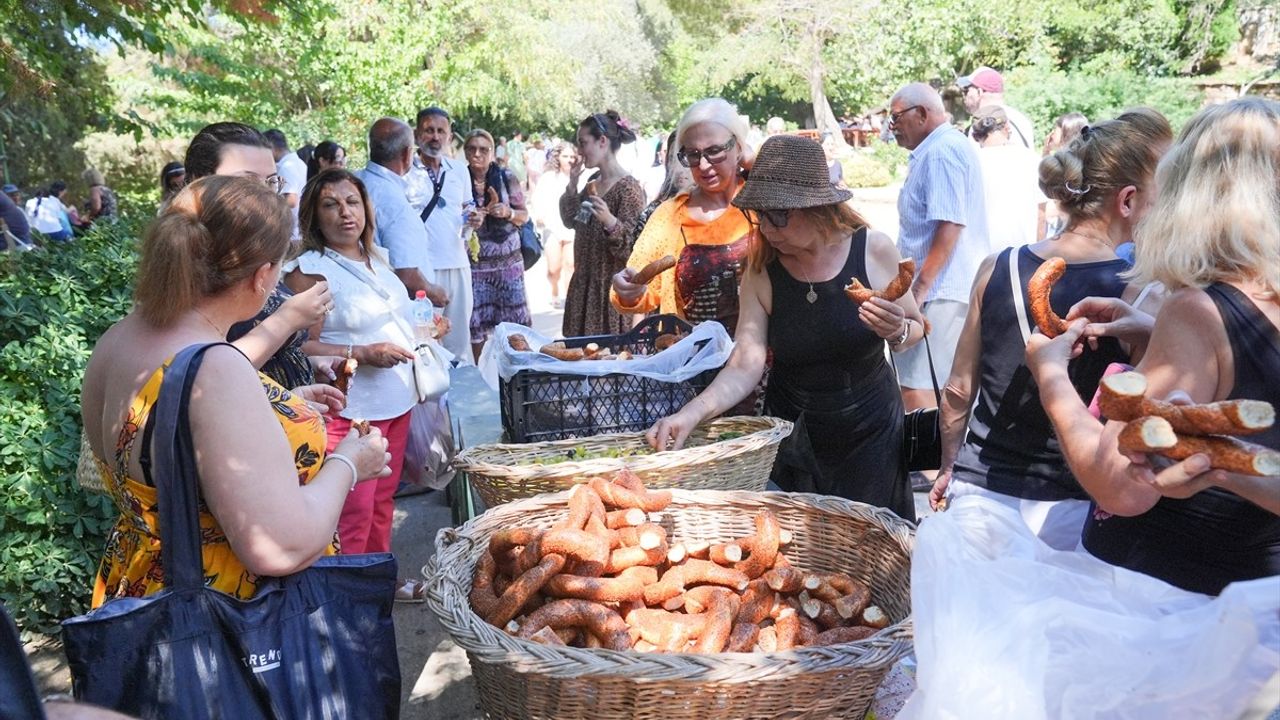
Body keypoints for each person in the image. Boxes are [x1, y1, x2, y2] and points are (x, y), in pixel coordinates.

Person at [80, 175, 391, 606]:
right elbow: (279, 546)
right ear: (262, 276)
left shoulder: (117, 338)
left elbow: (169, 440)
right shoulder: (215, 366)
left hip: (140, 587)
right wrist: (350, 463)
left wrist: (284, 405)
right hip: (230, 613)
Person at [1025, 97, 1280, 594]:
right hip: (1255, 603)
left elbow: (1118, 486)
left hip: (1169, 601)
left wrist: (1051, 377)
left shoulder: (1199, 311)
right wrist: (1149, 329)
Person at [932, 108, 1173, 550]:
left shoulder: (997, 266)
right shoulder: (1142, 293)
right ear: (1128, 200)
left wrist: (949, 466)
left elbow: (958, 392)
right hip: (1072, 511)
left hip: (979, 493)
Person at [647, 135, 924, 520]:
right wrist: (691, 414)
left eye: (778, 215)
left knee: (876, 549)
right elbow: (746, 362)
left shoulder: (872, 248)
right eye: (759, 214)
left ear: (816, 208)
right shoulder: (761, 270)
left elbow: (916, 328)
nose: (768, 228)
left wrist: (897, 331)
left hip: (870, 431)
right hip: (796, 434)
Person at [284, 168, 427, 600]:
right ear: (314, 215)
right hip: (348, 408)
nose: (345, 213)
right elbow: (298, 346)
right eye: (331, 204)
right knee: (352, 510)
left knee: (383, 502)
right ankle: (347, 599)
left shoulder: (377, 257)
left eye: (352, 201)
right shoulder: (310, 270)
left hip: (396, 400)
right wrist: (360, 354)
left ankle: (380, 582)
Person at [185, 121, 330, 389]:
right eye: (248, 181)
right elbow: (200, 379)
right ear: (199, 182)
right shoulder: (190, 263)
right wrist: (285, 321)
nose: (265, 195)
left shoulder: (256, 250)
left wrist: (307, 368)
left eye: (271, 182)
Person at [611, 98, 755, 334]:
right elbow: (638, 288)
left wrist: (754, 160)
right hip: (694, 360)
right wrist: (628, 290)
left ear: (738, 147)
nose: (704, 165)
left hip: (770, 360)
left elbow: (809, 191)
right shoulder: (669, 216)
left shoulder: (764, 200)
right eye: (693, 155)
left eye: (715, 151)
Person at [889, 82, 990, 415]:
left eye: (896, 118)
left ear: (921, 114)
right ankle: (941, 466)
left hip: (941, 293)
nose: (893, 128)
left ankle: (933, 469)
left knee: (921, 392)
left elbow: (950, 226)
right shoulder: (941, 148)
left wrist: (918, 290)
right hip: (944, 290)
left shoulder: (940, 152)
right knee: (933, 388)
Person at [558, 110, 645, 337]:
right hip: (583, 290)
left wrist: (610, 221)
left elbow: (632, 250)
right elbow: (571, 221)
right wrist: (572, 184)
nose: (579, 151)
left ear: (602, 141)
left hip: (608, 294)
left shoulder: (629, 189)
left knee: (606, 364)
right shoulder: (590, 184)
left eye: (583, 143)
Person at [355, 117, 449, 309]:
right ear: (407, 154)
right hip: (391, 309)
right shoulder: (395, 204)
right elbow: (407, 276)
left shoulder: (353, 182)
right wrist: (435, 293)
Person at [405, 107, 473, 362]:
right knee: (425, 341)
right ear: (416, 134)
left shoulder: (459, 170)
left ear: (449, 135)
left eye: (440, 131)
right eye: (428, 130)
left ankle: (458, 396)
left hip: (457, 264)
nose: (435, 136)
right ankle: (432, 399)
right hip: (422, 270)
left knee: (459, 341)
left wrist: (473, 220)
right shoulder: (405, 172)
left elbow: (467, 209)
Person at [463, 129, 531, 358]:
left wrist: (507, 212)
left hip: (508, 264)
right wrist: (471, 220)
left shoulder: (505, 176)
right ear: (465, 152)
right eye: (472, 148)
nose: (477, 154)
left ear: (492, 152)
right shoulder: (459, 180)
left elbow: (524, 215)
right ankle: (481, 375)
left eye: (483, 149)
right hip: (476, 266)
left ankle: (520, 372)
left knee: (515, 326)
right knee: (476, 325)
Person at [971, 105, 1045, 252]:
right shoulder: (1031, 159)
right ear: (1007, 126)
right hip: (1024, 254)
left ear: (976, 134)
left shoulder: (971, 164)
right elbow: (1041, 215)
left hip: (982, 257)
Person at [531, 141, 582, 308]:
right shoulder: (548, 178)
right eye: (565, 156)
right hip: (552, 227)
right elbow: (537, 199)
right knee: (554, 268)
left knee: (570, 265)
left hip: (572, 229)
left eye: (572, 156)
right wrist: (539, 216)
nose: (569, 159)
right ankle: (554, 290)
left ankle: (568, 298)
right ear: (558, 157)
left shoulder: (580, 178)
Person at [958, 66, 1036, 149]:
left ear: (979, 92)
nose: (965, 96)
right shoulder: (1021, 120)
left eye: (967, 90)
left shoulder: (981, 125)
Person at [632, 130, 691, 239]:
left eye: (687, 157)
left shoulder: (717, 212)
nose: (678, 168)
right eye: (673, 158)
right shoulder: (654, 211)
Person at [1040, 112, 1089, 240]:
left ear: (1065, 131)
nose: (1051, 133)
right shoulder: (1079, 155)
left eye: (1055, 129)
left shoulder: (1069, 161)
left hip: (1062, 219)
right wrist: (1046, 152)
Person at [263, 128, 307, 239]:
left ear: (270, 146)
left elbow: (291, 200)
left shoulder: (287, 167)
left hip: (290, 233)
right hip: (297, 230)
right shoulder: (298, 163)